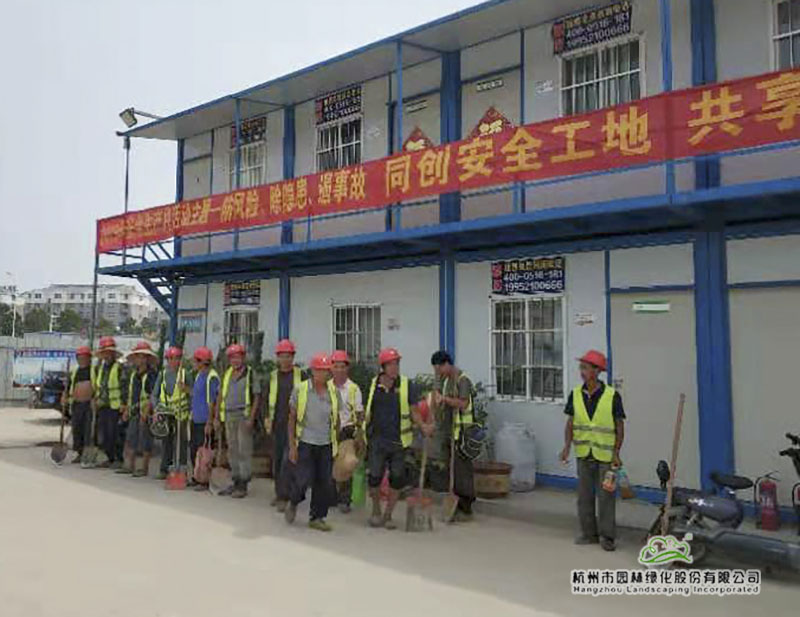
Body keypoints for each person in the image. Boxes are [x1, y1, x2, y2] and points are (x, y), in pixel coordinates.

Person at [560, 350, 626, 552]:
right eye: (581, 367)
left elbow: (619, 426)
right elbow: (570, 423)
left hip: (606, 456)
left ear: (597, 371)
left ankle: (607, 536)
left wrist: (616, 452)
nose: (582, 372)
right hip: (583, 454)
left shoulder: (612, 396)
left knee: (606, 497)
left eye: (586, 368)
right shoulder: (575, 395)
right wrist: (566, 447)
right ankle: (588, 533)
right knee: (584, 496)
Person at [363, 347, 433, 529]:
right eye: (391, 364)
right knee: (374, 477)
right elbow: (367, 411)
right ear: (383, 367)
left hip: (399, 441)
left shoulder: (407, 385)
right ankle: (376, 510)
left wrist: (423, 426)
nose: (395, 368)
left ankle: (388, 515)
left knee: (397, 478)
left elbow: (414, 411)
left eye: (397, 364)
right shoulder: (373, 385)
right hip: (377, 440)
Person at [285, 353, 343, 531]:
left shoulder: (334, 392)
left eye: (326, 371)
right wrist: (292, 446)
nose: (322, 374)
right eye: (319, 370)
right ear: (312, 371)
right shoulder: (301, 390)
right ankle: (293, 501)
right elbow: (291, 419)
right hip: (305, 442)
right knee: (303, 479)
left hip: (325, 444)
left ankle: (317, 517)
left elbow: (336, 419)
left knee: (324, 482)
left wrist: (337, 444)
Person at [431, 350, 476, 522]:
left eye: (439, 369)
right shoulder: (444, 380)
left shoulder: (462, 380)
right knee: (452, 470)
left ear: (447, 364)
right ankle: (455, 503)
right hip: (449, 431)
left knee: (462, 470)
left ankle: (466, 506)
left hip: (462, 432)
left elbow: (463, 404)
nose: (438, 373)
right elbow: (437, 400)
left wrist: (445, 399)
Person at [212, 343, 260, 498]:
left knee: (243, 450)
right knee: (232, 449)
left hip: (243, 416)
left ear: (243, 358)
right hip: (228, 415)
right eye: (232, 358)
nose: (235, 360)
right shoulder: (227, 374)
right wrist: (217, 417)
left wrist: (251, 418)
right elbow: (220, 396)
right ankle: (235, 480)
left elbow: (257, 397)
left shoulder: (250, 374)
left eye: (238, 357)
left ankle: (243, 484)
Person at [264, 339, 304, 511]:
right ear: (278, 358)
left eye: (288, 356)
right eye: (282, 356)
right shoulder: (273, 377)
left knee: (289, 461)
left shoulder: (301, 376)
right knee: (277, 459)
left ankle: (285, 495)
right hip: (277, 424)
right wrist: (266, 418)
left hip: (294, 426)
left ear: (293, 357)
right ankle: (279, 492)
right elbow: (266, 398)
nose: (285, 359)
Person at [330, 349, 363, 513]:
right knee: (328, 463)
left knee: (347, 463)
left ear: (347, 368)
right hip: (328, 430)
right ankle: (330, 496)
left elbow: (359, 413)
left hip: (346, 430)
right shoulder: (325, 387)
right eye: (336, 366)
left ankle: (344, 499)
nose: (339, 370)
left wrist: (360, 434)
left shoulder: (353, 389)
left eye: (342, 366)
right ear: (331, 368)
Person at [118, 342, 158, 477]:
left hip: (146, 411)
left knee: (145, 439)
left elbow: (153, 395)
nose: (138, 359)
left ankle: (143, 467)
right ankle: (130, 465)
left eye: (140, 356)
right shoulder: (134, 375)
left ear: (146, 358)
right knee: (131, 437)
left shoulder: (151, 375)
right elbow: (131, 394)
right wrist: (127, 409)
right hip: (134, 410)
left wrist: (147, 410)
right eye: (137, 356)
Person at [151, 346, 192, 481]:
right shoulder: (162, 374)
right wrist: (156, 409)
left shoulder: (185, 374)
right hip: (166, 413)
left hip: (181, 414)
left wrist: (186, 391)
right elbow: (155, 394)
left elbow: (192, 394)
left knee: (181, 443)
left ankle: (182, 470)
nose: (174, 361)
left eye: (176, 358)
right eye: (171, 359)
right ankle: (165, 469)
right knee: (166, 441)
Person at [92, 336, 124, 468]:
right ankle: (108, 457)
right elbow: (99, 386)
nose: (107, 355)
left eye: (109, 352)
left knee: (115, 433)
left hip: (115, 406)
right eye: (105, 352)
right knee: (104, 433)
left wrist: (124, 404)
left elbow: (125, 387)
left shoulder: (120, 368)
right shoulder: (100, 368)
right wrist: (96, 399)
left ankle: (118, 459)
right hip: (103, 405)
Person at [190, 346, 219, 490]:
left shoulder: (211, 377)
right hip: (195, 418)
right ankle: (197, 476)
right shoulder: (199, 375)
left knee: (205, 452)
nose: (193, 364)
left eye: (195, 361)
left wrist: (210, 422)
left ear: (201, 362)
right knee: (195, 450)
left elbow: (212, 401)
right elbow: (197, 394)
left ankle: (204, 480)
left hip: (204, 420)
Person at [61, 346, 94, 464]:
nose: (82, 360)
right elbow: (69, 386)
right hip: (76, 404)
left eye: (84, 357)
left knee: (87, 430)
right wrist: (64, 396)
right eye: (80, 358)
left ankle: (87, 454)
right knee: (77, 429)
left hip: (88, 404)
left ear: (89, 358)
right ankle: (79, 453)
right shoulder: (75, 371)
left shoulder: (93, 371)